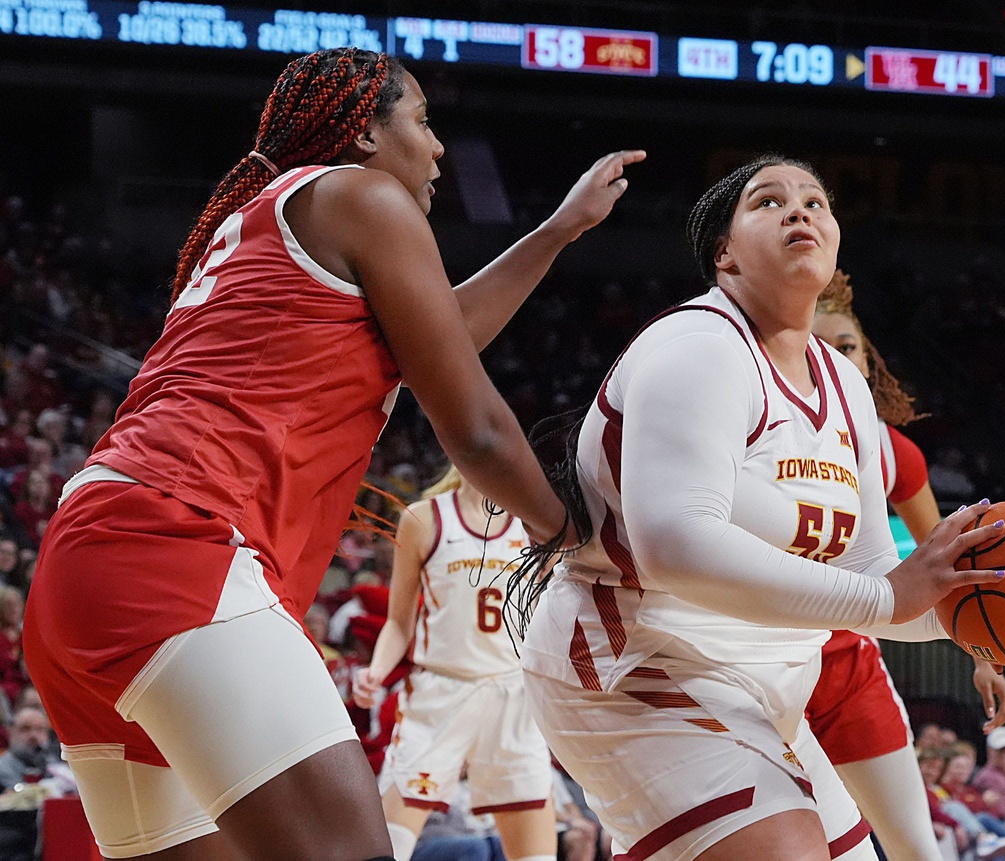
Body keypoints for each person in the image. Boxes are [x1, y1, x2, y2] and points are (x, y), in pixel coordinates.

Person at [22, 47, 641, 861]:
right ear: (364, 134)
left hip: (82, 571)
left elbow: (435, 335)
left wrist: (559, 229)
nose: (439, 147)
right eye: (421, 120)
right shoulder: (364, 197)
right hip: (177, 548)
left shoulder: (262, 223)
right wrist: (579, 537)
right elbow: (479, 429)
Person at [518, 154, 1005, 861]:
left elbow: (871, 567)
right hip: (639, 660)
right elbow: (675, 545)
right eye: (769, 201)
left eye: (815, 200)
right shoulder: (696, 345)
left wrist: (970, 612)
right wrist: (885, 599)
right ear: (725, 250)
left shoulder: (845, 384)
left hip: (766, 687)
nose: (800, 210)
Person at [807, 271, 1005, 861]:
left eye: (846, 345)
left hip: (848, 669)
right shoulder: (756, 432)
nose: (834, 357)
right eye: (816, 345)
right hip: (758, 667)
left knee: (917, 852)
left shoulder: (894, 451)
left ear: (868, 361)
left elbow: (947, 568)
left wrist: (983, 655)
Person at [351, 466, 556, 861]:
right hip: (440, 693)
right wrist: (375, 671)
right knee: (389, 848)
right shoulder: (423, 518)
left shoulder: (537, 524)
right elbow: (398, 622)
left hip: (511, 696)